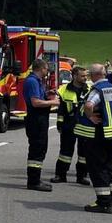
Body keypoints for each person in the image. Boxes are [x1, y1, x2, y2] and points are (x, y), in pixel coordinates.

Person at [76, 63, 112, 213]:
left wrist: (91, 117)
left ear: (95, 75)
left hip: (100, 133)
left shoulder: (97, 89)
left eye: (90, 74)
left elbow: (89, 105)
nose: (89, 77)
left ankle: (104, 203)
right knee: (109, 167)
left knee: (98, 168)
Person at [23, 58, 60, 191]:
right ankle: (33, 182)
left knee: (40, 149)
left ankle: (35, 179)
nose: (47, 71)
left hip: (40, 119)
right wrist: (53, 103)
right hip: (36, 119)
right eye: (46, 68)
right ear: (41, 68)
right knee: (37, 150)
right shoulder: (32, 81)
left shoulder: (37, 81)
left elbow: (39, 97)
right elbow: (35, 102)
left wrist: (47, 94)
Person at [51, 65, 89, 184]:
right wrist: (60, 123)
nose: (85, 78)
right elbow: (61, 109)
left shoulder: (89, 89)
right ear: (74, 76)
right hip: (69, 124)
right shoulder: (64, 89)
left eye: (86, 76)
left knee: (84, 153)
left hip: (84, 124)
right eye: (82, 76)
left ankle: (81, 176)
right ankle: (60, 175)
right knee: (65, 152)